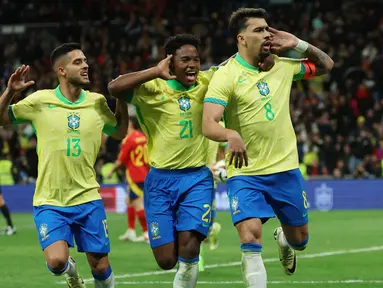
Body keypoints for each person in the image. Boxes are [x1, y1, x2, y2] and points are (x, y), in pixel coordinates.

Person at [108, 33, 273, 287]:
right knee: (165, 260)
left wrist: (262, 51)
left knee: (189, 250)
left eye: (196, 59)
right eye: (185, 59)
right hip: (160, 181)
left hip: (197, 178)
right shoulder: (153, 88)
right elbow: (115, 87)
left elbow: (235, 62)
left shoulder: (207, 81)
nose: (192, 64)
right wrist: (155, 71)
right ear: (170, 62)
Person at [202, 8, 334, 288]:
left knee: (300, 241)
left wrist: (297, 44)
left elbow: (326, 65)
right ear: (241, 38)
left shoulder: (284, 66)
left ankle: (285, 238)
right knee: (249, 238)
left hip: (285, 170)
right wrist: (230, 134)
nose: (267, 34)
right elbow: (209, 123)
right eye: (259, 30)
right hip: (245, 173)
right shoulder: (226, 75)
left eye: (268, 29)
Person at [0, 43, 128, 288]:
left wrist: (120, 100)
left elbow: (120, 132)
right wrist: (9, 93)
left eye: (85, 61)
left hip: (87, 197)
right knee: (57, 262)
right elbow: (1, 119)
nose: (86, 65)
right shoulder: (39, 101)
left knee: (100, 265)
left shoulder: (97, 102)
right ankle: (71, 271)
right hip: (50, 199)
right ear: (61, 70)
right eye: (78, 62)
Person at [107, 116, 149, 243]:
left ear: (129, 124)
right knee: (129, 201)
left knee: (137, 203)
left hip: (134, 174)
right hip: (144, 171)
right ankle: (130, 231)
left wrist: (111, 171)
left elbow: (121, 159)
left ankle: (147, 233)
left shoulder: (129, 139)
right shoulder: (143, 136)